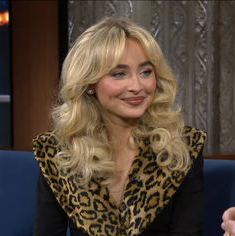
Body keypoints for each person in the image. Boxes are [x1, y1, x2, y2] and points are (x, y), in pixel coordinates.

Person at [32, 17, 206, 236]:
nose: (137, 86)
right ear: (89, 84)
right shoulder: (59, 153)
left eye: (145, 72)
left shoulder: (182, 147)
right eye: (119, 74)